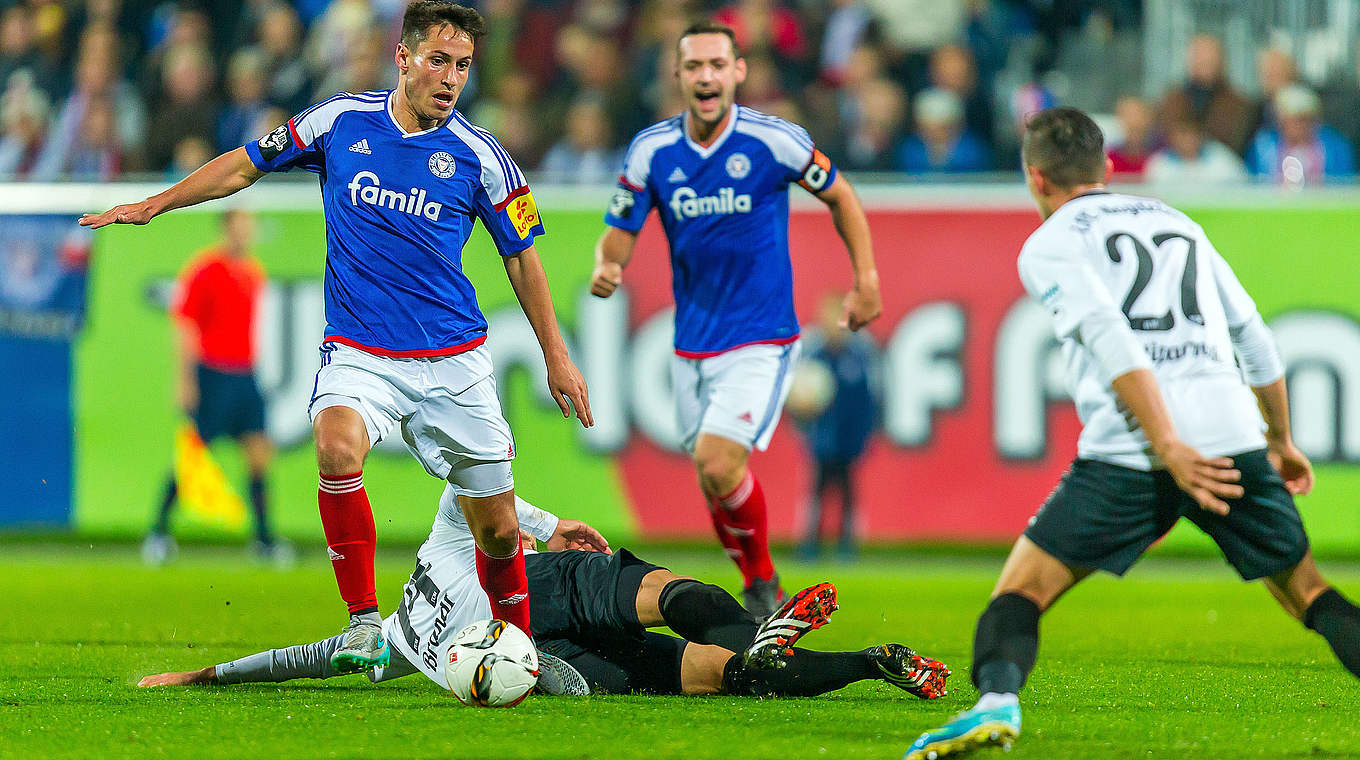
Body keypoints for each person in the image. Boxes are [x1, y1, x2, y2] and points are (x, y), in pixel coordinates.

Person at [80, 2, 592, 676]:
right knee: (336, 443)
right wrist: (156, 203)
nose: (450, 78)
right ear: (403, 57)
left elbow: (522, 256)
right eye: (438, 60)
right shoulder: (339, 121)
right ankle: (362, 624)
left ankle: (522, 655)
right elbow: (243, 165)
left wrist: (557, 355)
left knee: (497, 530)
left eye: (462, 66)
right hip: (361, 351)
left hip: (455, 361)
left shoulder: (483, 157)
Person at [905, 107, 1360, 760]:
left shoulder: (1051, 242)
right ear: (1108, 167)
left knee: (1020, 593)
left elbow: (1114, 340)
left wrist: (1169, 445)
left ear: (1036, 178)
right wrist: (1280, 440)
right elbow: (1253, 335)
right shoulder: (1176, 222)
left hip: (1135, 450)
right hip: (1231, 439)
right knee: (1310, 594)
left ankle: (995, 704)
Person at [589, 21, 882, 617]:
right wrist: (609, 266)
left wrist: (866, 279)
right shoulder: (652, 151)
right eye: (694, 66)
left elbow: (841, 195)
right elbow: (620, 230)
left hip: (761, 337)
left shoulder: (774, 142)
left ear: (737, 72)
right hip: (691, 342)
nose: (706, 76)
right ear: (678, 76)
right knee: (713, 480)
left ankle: (764, 581)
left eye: (717, 65)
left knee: (718, 462)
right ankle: (755, 580)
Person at [138, 487, 951, 700]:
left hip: (537, 650)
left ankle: (869, 664)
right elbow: (477, 495)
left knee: (716, 673)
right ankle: (800, 639)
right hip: (541, 601)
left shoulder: (393, 641)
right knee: (674, 598)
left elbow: (306, 660)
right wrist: (548, 522)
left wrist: (207, 674)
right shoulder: (442, 545)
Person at [142, 209, 291, 567]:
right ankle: (158, 533)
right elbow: (186, 326)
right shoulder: (206, 269)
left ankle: (264, 539)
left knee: (258, 454)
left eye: (249, 226)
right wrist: (186, 380)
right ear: (226, 229)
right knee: (194, 455)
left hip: (245, 375)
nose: (245, 232)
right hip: (212, 374)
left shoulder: (254, 272)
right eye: (239, 226)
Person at [793, 294, 879, 561]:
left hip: (849, 439)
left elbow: (871, 398)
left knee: (847, 492)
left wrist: (865, 435)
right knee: (817, 492)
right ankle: (810, 544)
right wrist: (804, 422)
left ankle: (846, 544)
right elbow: (798, 397)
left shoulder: (860, 355)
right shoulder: (812, 354)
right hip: (821, 439)